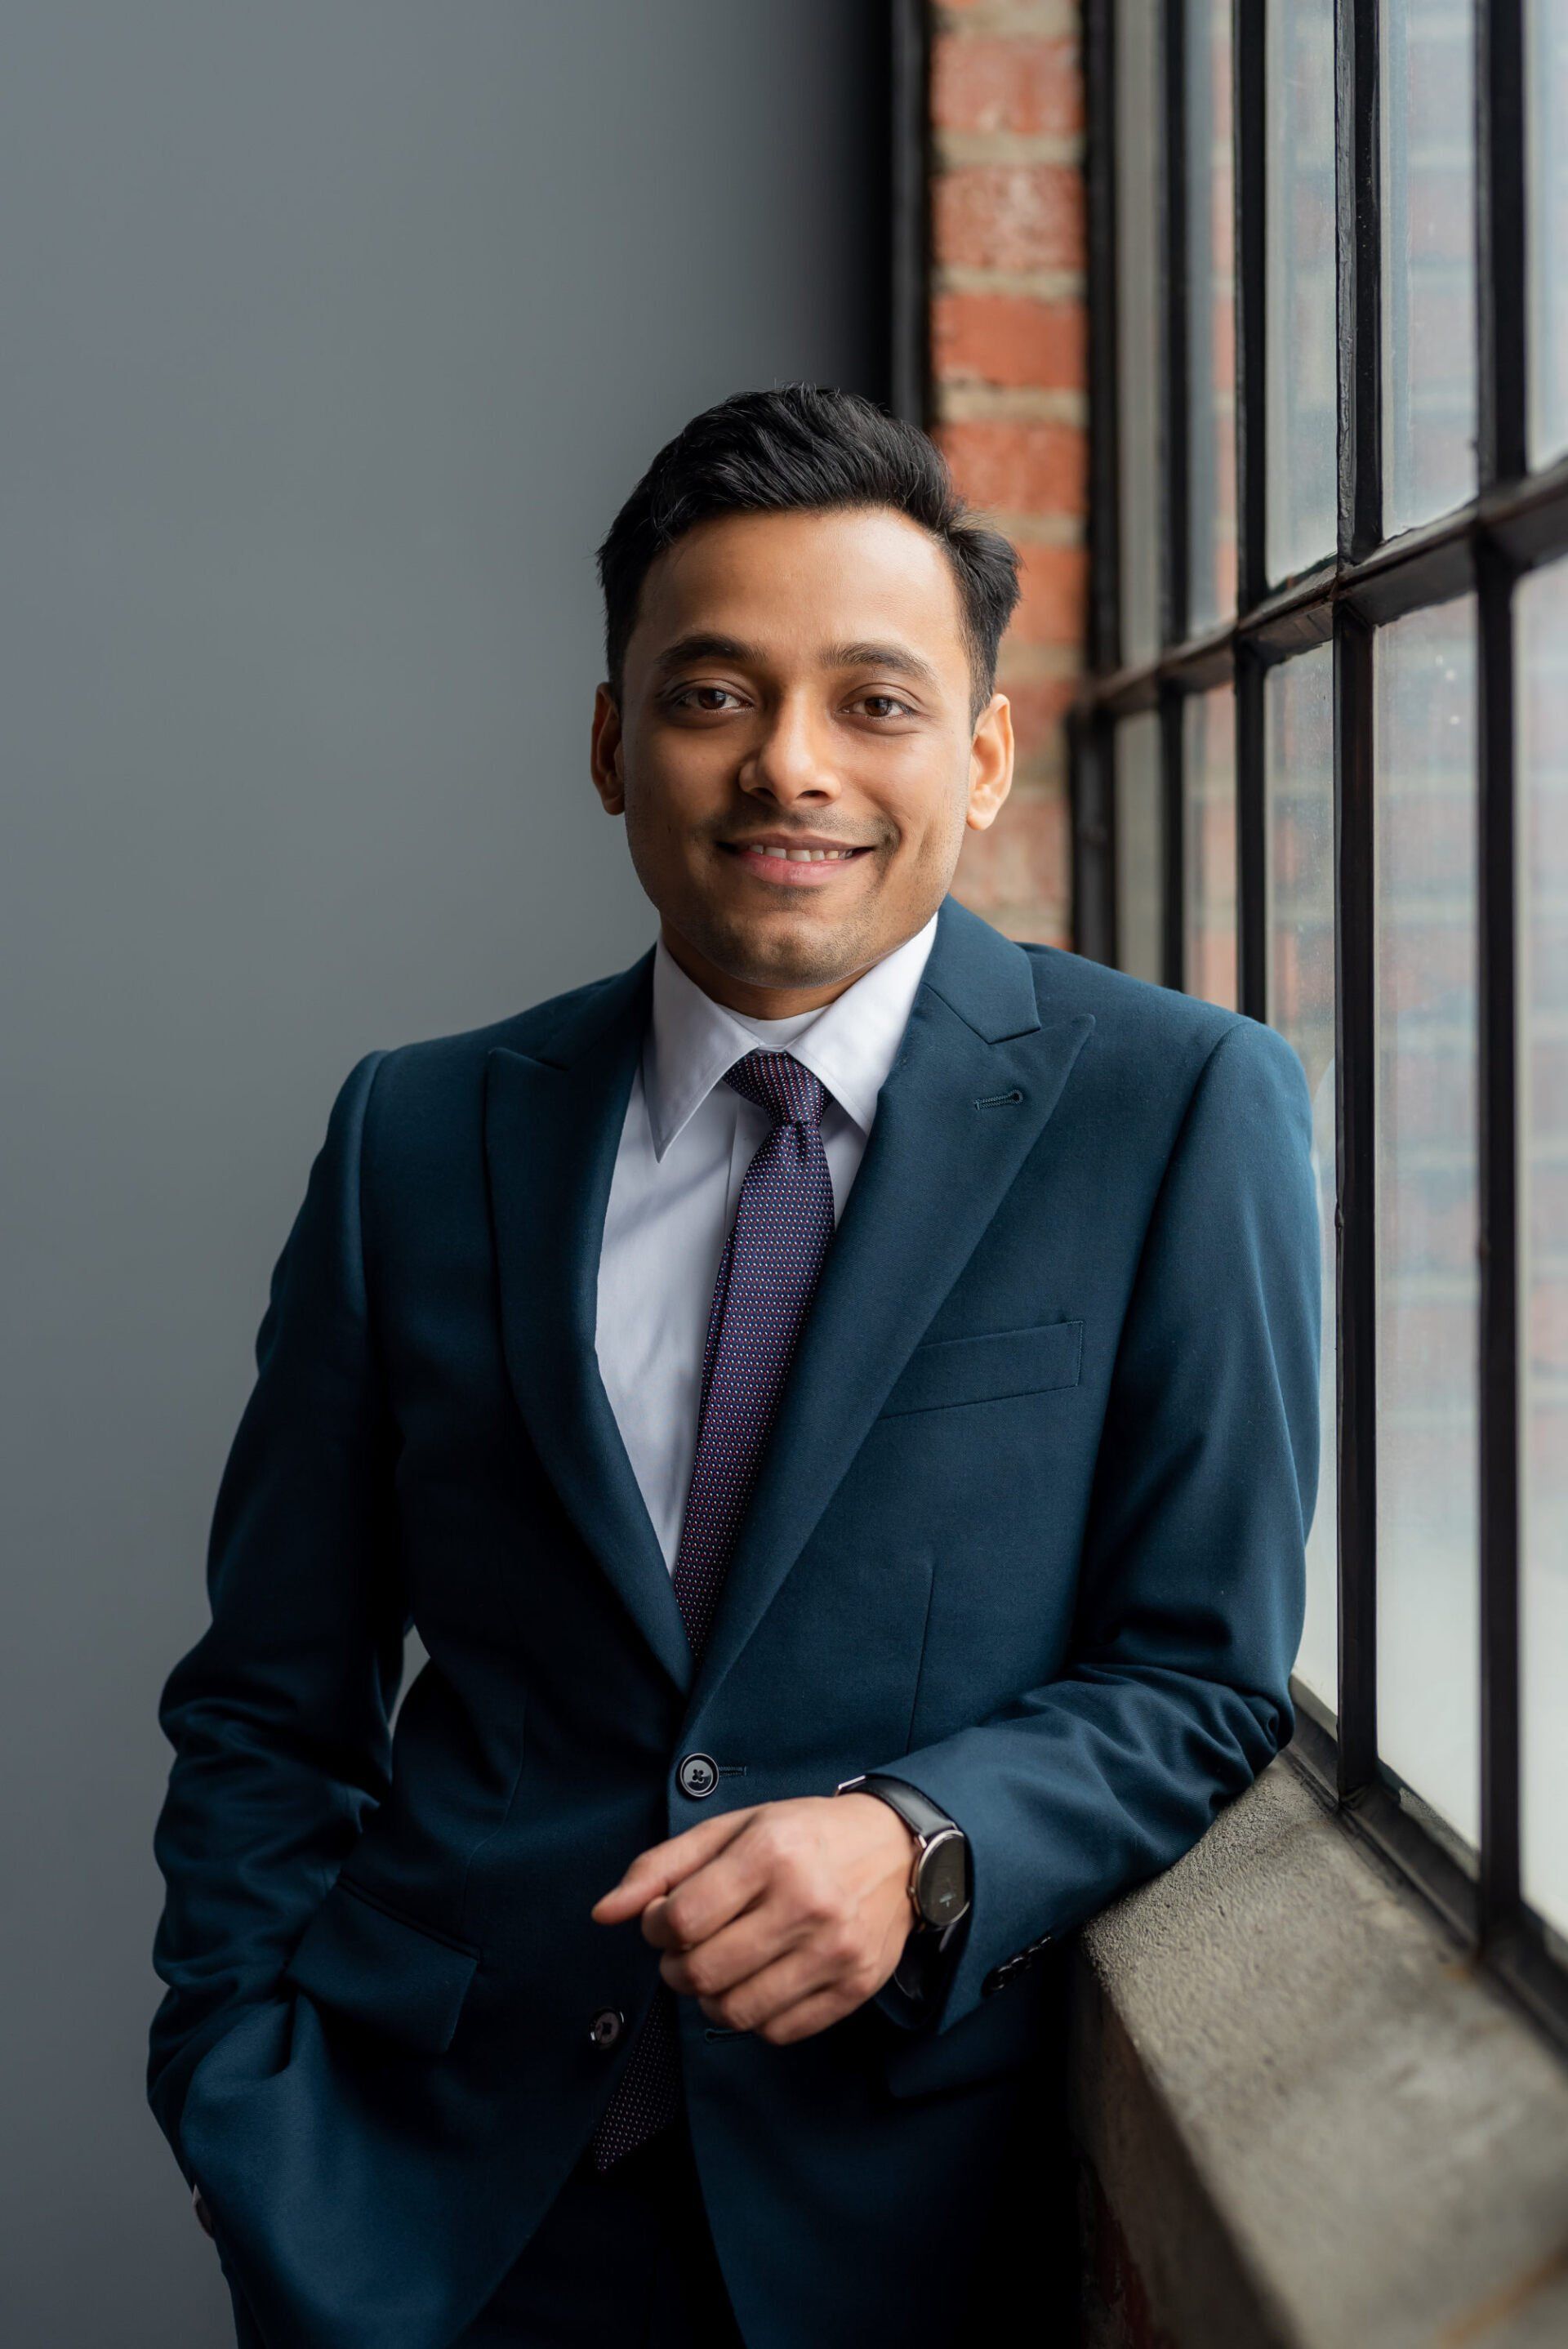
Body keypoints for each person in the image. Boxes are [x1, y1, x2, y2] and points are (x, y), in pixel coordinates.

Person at [147, 384, 1321, 2349]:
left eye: (873, 701)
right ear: (614, 744)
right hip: (421, 2223)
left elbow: (1202, 1672)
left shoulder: (1177, 1109)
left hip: (899, 2226)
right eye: (711, 695)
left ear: (987, 755)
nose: (790, 767)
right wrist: (242, 2105)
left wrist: (920, 1836)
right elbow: (271, 1701)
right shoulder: (416, 1138)